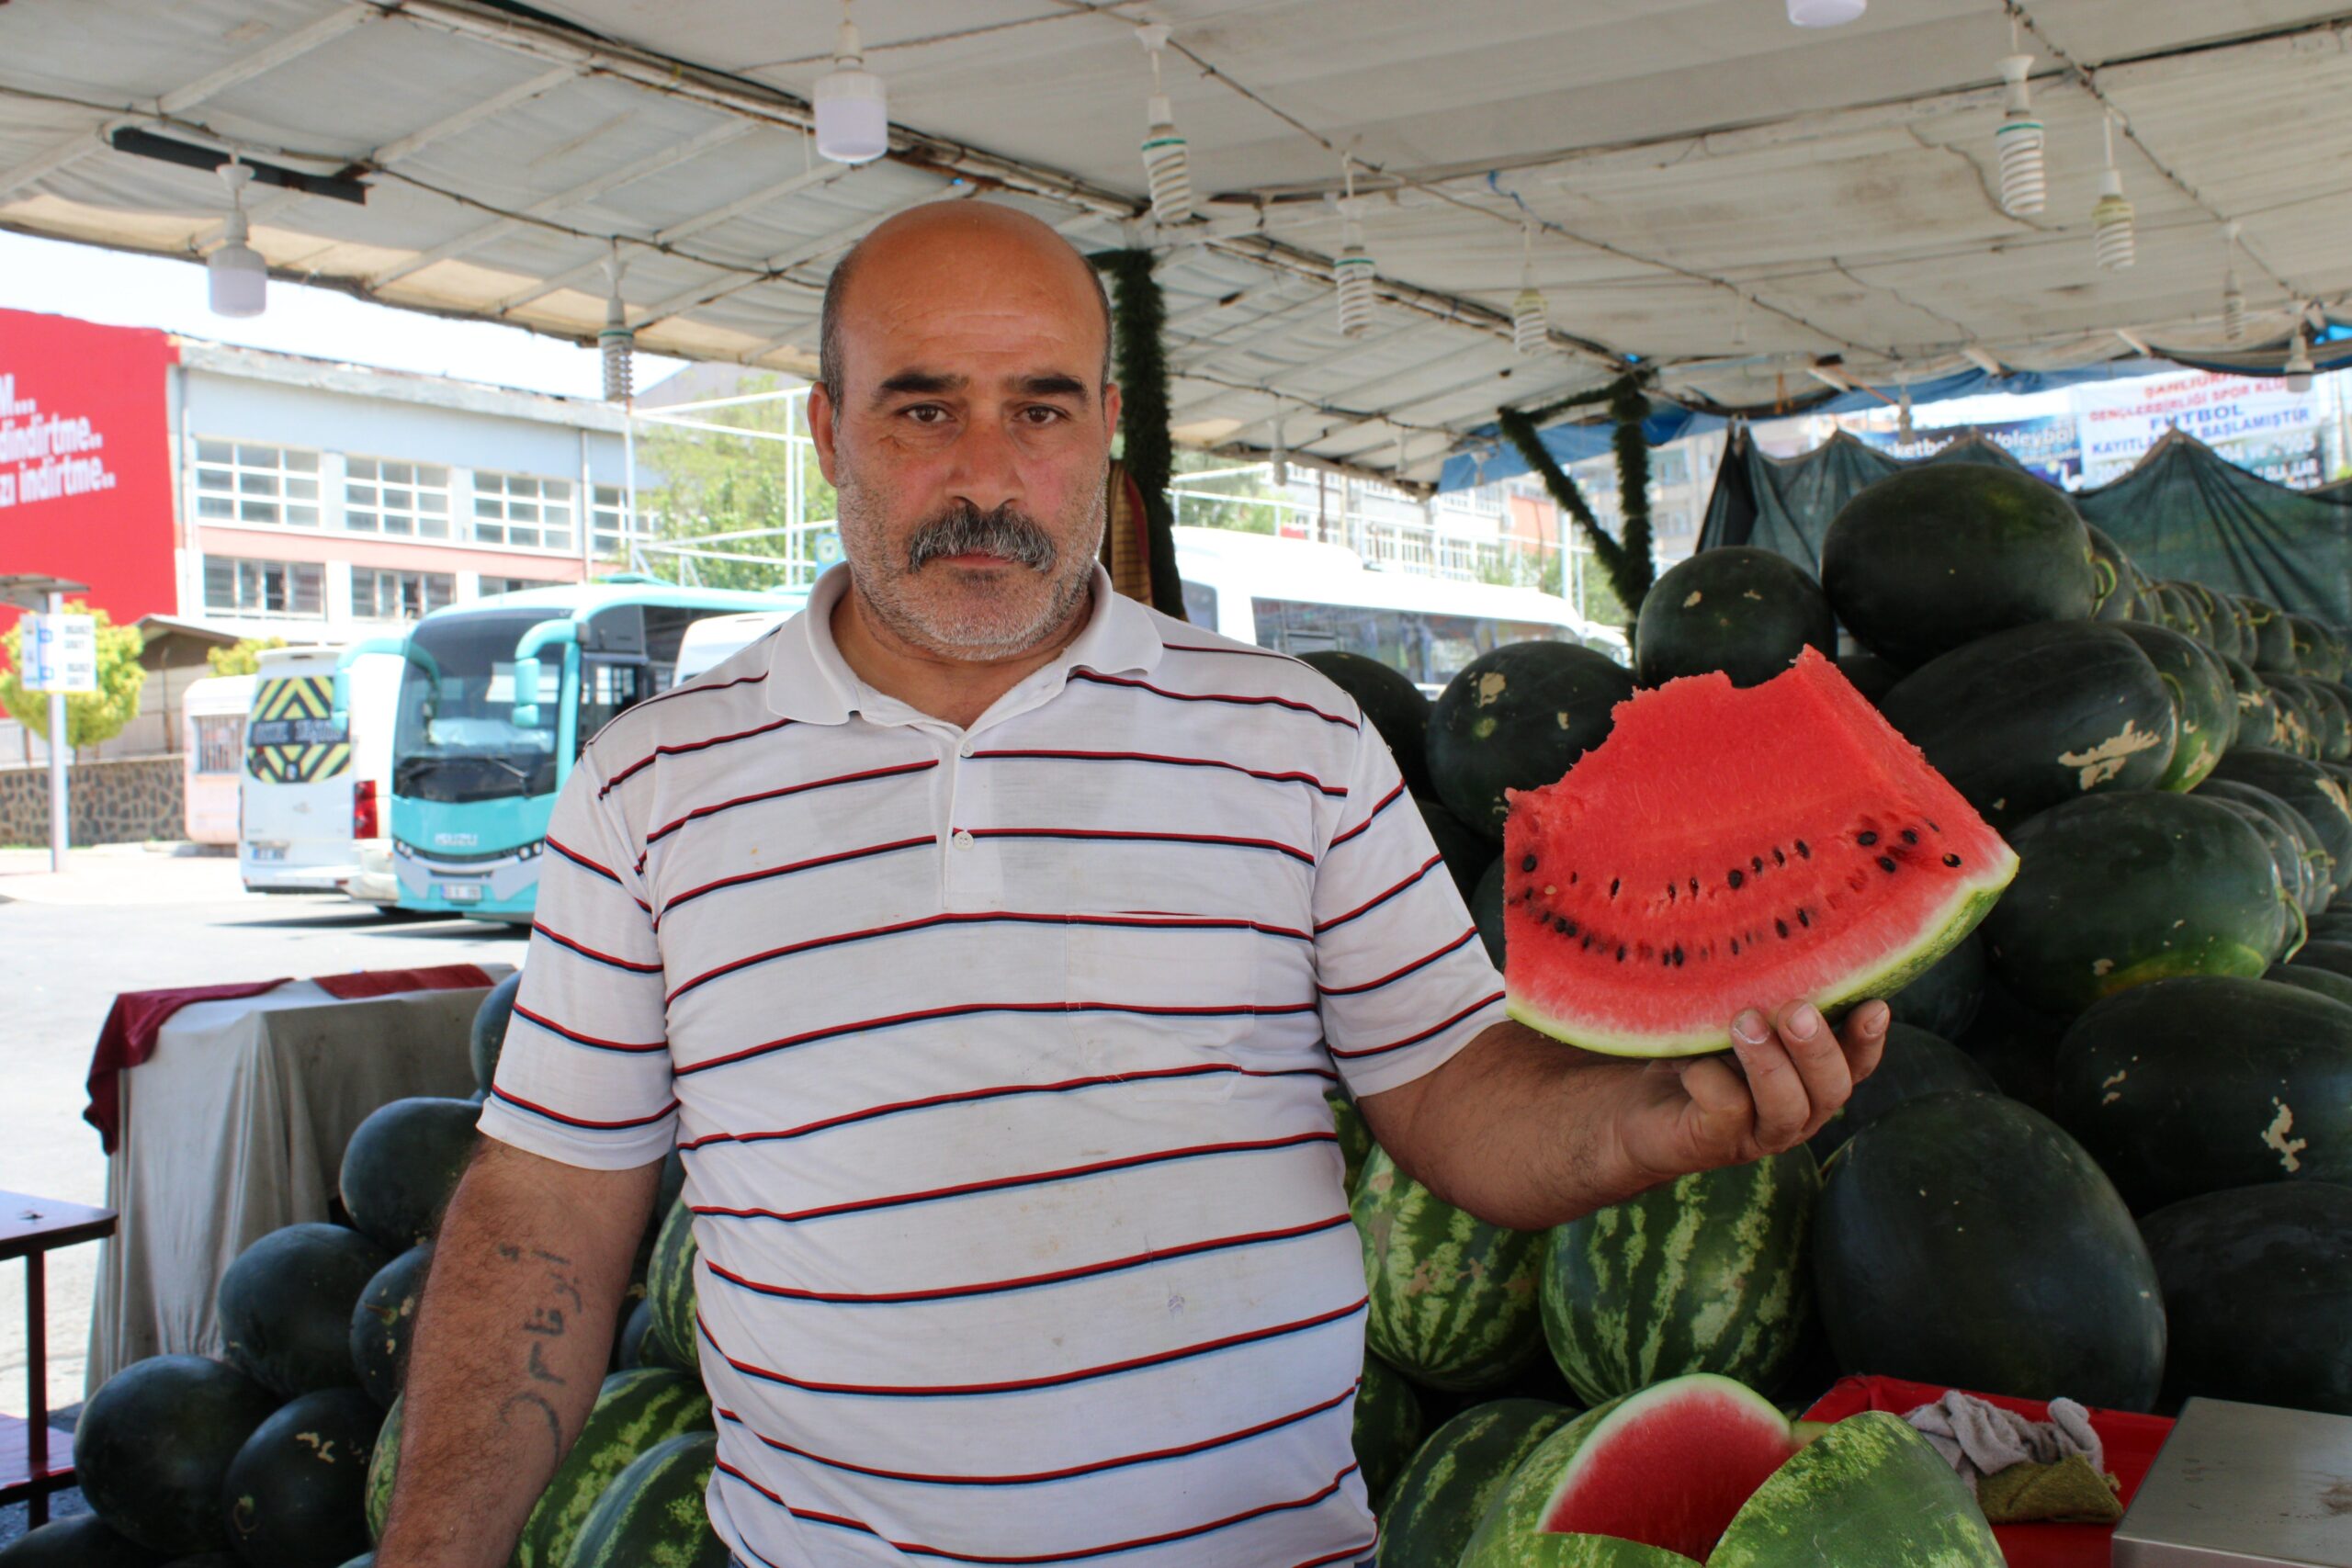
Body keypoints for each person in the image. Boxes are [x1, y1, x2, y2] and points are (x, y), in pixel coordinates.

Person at [376, 200, 1885, 1568]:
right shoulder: (652, 784)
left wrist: (1651, 1121)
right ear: (828, 431)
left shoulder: (1294, 740)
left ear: (1105, 428)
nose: (985, 477)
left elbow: (1452, 1097)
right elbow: (547, 1206)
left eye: (1039, 410)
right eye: (922, 409)